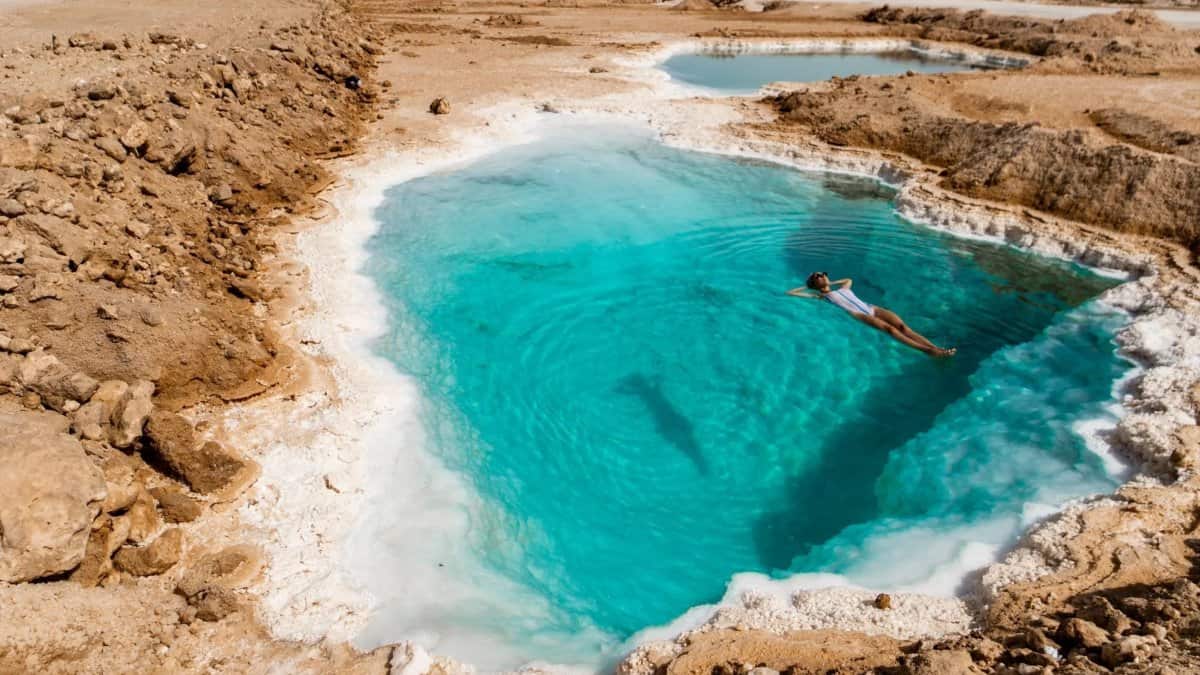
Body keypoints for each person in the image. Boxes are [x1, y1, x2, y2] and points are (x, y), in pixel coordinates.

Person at [787, 272, 956, 358]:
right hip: (858, 314)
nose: (822, 275)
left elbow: (848, 280)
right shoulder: (822, 297)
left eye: (823, 273)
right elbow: (791, 293)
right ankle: (928, 351)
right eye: (818, 276)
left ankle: (936, 348)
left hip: (870, 307)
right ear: (814, 283)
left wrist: (830, 281)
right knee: (891, 330)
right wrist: (808, 287)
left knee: (903, 327)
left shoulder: (842, 288)